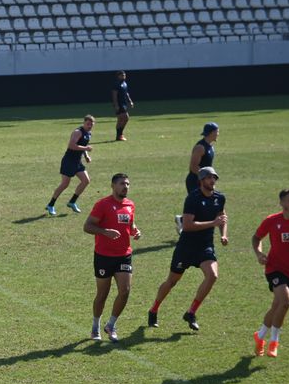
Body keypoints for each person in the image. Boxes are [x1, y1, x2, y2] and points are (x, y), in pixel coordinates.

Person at [148, 166, 227, 331]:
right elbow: (188, 225)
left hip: (205, 246)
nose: (212, 181)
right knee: (172, 281)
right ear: (202, 180)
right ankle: (154, 309)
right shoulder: (193, 198)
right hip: (186, 247)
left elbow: (222, 217)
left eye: (214, 178)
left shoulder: (220, 198)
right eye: (209, 178)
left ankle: (191, 313)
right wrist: (213, 223)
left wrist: (223, 234)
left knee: (212, 276)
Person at [250, 189, 289, 357]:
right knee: (285, 302)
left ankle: (260, 336)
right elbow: (256, 238)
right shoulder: (272, 220)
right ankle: (274, 342)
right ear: (282, 203)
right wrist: (259, 254)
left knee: (277, 306)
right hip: (274, 268)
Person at [82, 173, 140, 342]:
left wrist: (135, 231)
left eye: (127, 184)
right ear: (113, 186)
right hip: (104, 256)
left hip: (124, 255)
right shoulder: (103, 204)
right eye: (122, 184)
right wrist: (104, 232)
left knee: (125, 291)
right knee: (102, 294)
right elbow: (87, 226)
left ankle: (111, 325)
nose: (125, 187)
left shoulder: (130, 205)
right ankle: (95, 326)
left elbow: (130, 224)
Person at [46, 115, 94, 216]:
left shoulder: (88, 133)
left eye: (91, 124)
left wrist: (86, 155)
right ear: (84, 123)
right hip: (68, 161)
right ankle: (51, 205)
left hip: (77, 162)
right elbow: (71, 145)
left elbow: (83, 145)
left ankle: (72, 202)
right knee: (65, 184)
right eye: (88, 124)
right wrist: (86, 149)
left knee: (86, 181)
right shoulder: (78, 132)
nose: (90, 126)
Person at [178, 122, 219, 233]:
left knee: (203, 205)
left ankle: (182, 220)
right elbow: (193, 167)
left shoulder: (211, 147)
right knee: (198, 205)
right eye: (217, 131)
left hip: (204, 181)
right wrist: (205, 178)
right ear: (211, 133)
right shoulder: (200, 147)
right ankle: (184, 222)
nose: (218, 134)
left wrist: (210, 178)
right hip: (195, 181)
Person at [111, 70, 133, 142]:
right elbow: (114, 95)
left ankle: (119, 136)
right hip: (119, 104)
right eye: (122, 75)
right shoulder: (116, 84)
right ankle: (120, 135)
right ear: (118, 76)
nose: (124, 76)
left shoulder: (125, 83)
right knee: (126, 117)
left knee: (120, 119)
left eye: (124, 75)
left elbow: (126, 93)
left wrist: (130, 101)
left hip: (124, 104)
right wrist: (116, 105)